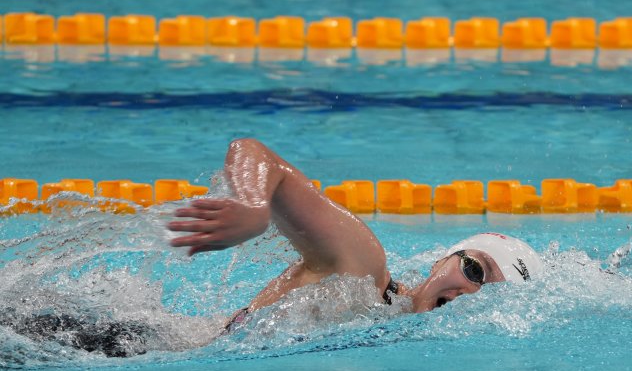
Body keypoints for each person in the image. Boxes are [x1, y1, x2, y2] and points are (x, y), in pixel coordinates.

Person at [168, 138, 543, 333]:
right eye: (476, 271)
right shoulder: (364, 272)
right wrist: (252, 207)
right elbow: (255, 153)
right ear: (441, 261)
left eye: (493, 299)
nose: (473, 295)